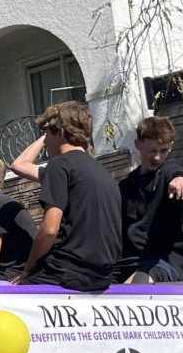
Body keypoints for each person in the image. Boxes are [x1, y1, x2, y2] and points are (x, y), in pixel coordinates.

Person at [17, 101, 121, 292]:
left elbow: (49, 229)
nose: (45, 141)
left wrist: (28, 270)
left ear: (61, 132)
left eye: (47, 133)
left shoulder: (60, 166)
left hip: (65, 273)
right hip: (102, 277)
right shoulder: (104, 174)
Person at [113, 115, 183, 283]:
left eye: (163, 151)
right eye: (152, 151)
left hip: (164, 262)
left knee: (139, 283)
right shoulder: (125, 187)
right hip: (127, 262)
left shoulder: (169, 176)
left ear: (171, 147)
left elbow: (174, 172)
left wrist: (180, 180)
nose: (157, 157)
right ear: (138, 145)